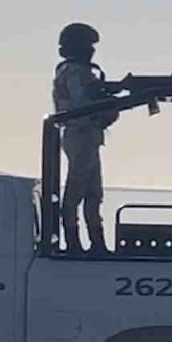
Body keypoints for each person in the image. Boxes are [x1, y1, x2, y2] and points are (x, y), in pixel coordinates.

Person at [52, 22, 118, 256]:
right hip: (80, 134)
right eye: (88, 46)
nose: (91, 51)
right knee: (76, 190)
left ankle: (96, 242)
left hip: (88, 135)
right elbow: (81, 105)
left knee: (93, 193)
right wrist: (106, 101)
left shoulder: (81, 72)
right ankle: (73, 241)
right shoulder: (73, 72)